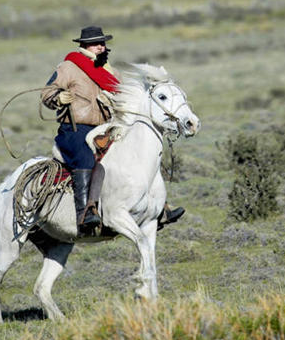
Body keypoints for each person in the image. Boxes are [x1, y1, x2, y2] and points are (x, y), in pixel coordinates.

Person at [40, 25, 185, 235]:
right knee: (85, 158)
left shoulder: (110, 72)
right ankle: (85, 212)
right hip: (75, 129)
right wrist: (57, 97)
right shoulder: (68, 68)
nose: (101, 47)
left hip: (106, 128)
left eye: (103, 43)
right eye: (95, 43)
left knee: (138, 155)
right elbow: (47, 92)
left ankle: (158, 206)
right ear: (84, 46)